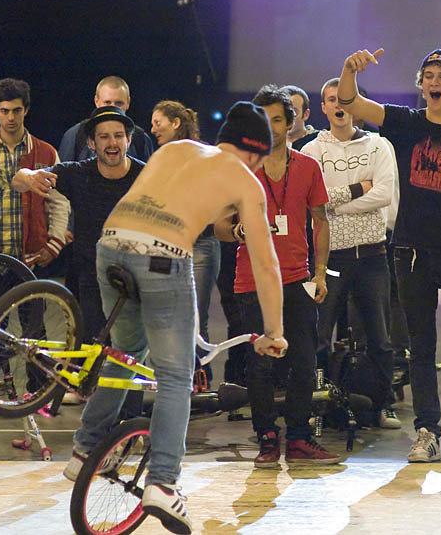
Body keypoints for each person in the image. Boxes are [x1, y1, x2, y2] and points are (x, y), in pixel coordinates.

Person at [68, 101, 287, 534]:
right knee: (175, 376)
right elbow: (266, 264)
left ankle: (84, 449)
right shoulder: (246, 180)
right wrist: (274, 332)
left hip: (109, 246)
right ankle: (163, 483)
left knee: (125, 351)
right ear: (256, 152)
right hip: (163, 257)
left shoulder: (173, 149)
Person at [337, 48, 441, 462]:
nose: (434, 81)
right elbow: (351, 102)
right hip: (412, 252)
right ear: (422, 84)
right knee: (421, 346)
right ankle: (427, 431)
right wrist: (349, 70)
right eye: (428, 75)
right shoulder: (406, 123)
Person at [215, 84, 338, 468]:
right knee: (261, 365)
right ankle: (267, 438)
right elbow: (219, 226)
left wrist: (321, 273)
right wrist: (239, 231)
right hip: (252, 280)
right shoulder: (241, 170)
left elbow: (320, 221)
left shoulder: (308, 167)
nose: (271, 127)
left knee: (303, 361)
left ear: (291, 123)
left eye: (278, 120)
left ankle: (298, 437)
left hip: (297, 279)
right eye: (264, 121)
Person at [301, 77, 400, 429]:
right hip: (330, 259)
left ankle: (383, 404)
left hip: (372, 256)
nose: (338, 106)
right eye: (331, 100)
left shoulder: (378, 145)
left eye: (343, 100)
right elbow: (311, 201)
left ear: (354, 106)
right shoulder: (311, 151)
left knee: (380, 339)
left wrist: (332, 206)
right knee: (318, 337)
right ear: (324, 108)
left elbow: (384, 194)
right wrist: (358, 189)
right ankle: (316, 405)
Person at [13, 106, 145, 344]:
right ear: (92, 143)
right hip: (91, 278)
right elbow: (18, 179)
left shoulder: (147, 176)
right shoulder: (78, 173)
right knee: (90, 349)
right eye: (104, 137)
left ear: (128, 140)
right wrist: (29, 177)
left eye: (118, 136)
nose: (112, 143)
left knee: (130, 352)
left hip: (136, 278)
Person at [0, 78, 69, 268]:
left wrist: (54, 245)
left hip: (33, 257)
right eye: (5, 111)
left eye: (16, 111)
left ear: (26, 110)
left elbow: (59, 202)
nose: (11, 118)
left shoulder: (47, 153)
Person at [149, 100, 221, 383]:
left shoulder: (204, 155)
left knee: (196, 317)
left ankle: (199, 380)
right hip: (166, 246)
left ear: (176, 123)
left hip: (200, 245)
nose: (153, 129)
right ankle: (171, 379)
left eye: (158, 123)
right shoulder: (159, 158)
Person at [57, 76, 153, 163]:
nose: (112, 108)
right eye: (107, 102)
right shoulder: (75, 135)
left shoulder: (141, 139)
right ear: (96, 101)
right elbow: (63, 174)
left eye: (119, 103)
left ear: (128, 102)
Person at [282, 85, 318, 150]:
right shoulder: (268, 145)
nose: (287, 117)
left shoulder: (320, 141)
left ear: (306, 114)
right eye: (282, 112)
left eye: (293, 112)